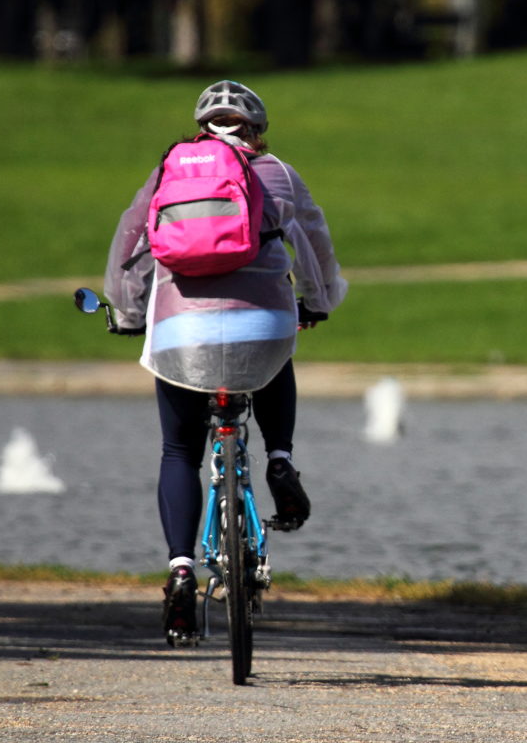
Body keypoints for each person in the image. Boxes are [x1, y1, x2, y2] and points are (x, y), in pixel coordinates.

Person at [103, 80, 347, 644]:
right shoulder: (279, 174)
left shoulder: (170, 171)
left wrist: (129, 309)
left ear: (199, 128)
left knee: (179, 450)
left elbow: (131, 243)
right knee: (276, 352)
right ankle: (280, 460)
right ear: (257, 131)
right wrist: (318, 300)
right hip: (260, 329)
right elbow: (314, 245)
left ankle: (181, 572)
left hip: (180, 334)